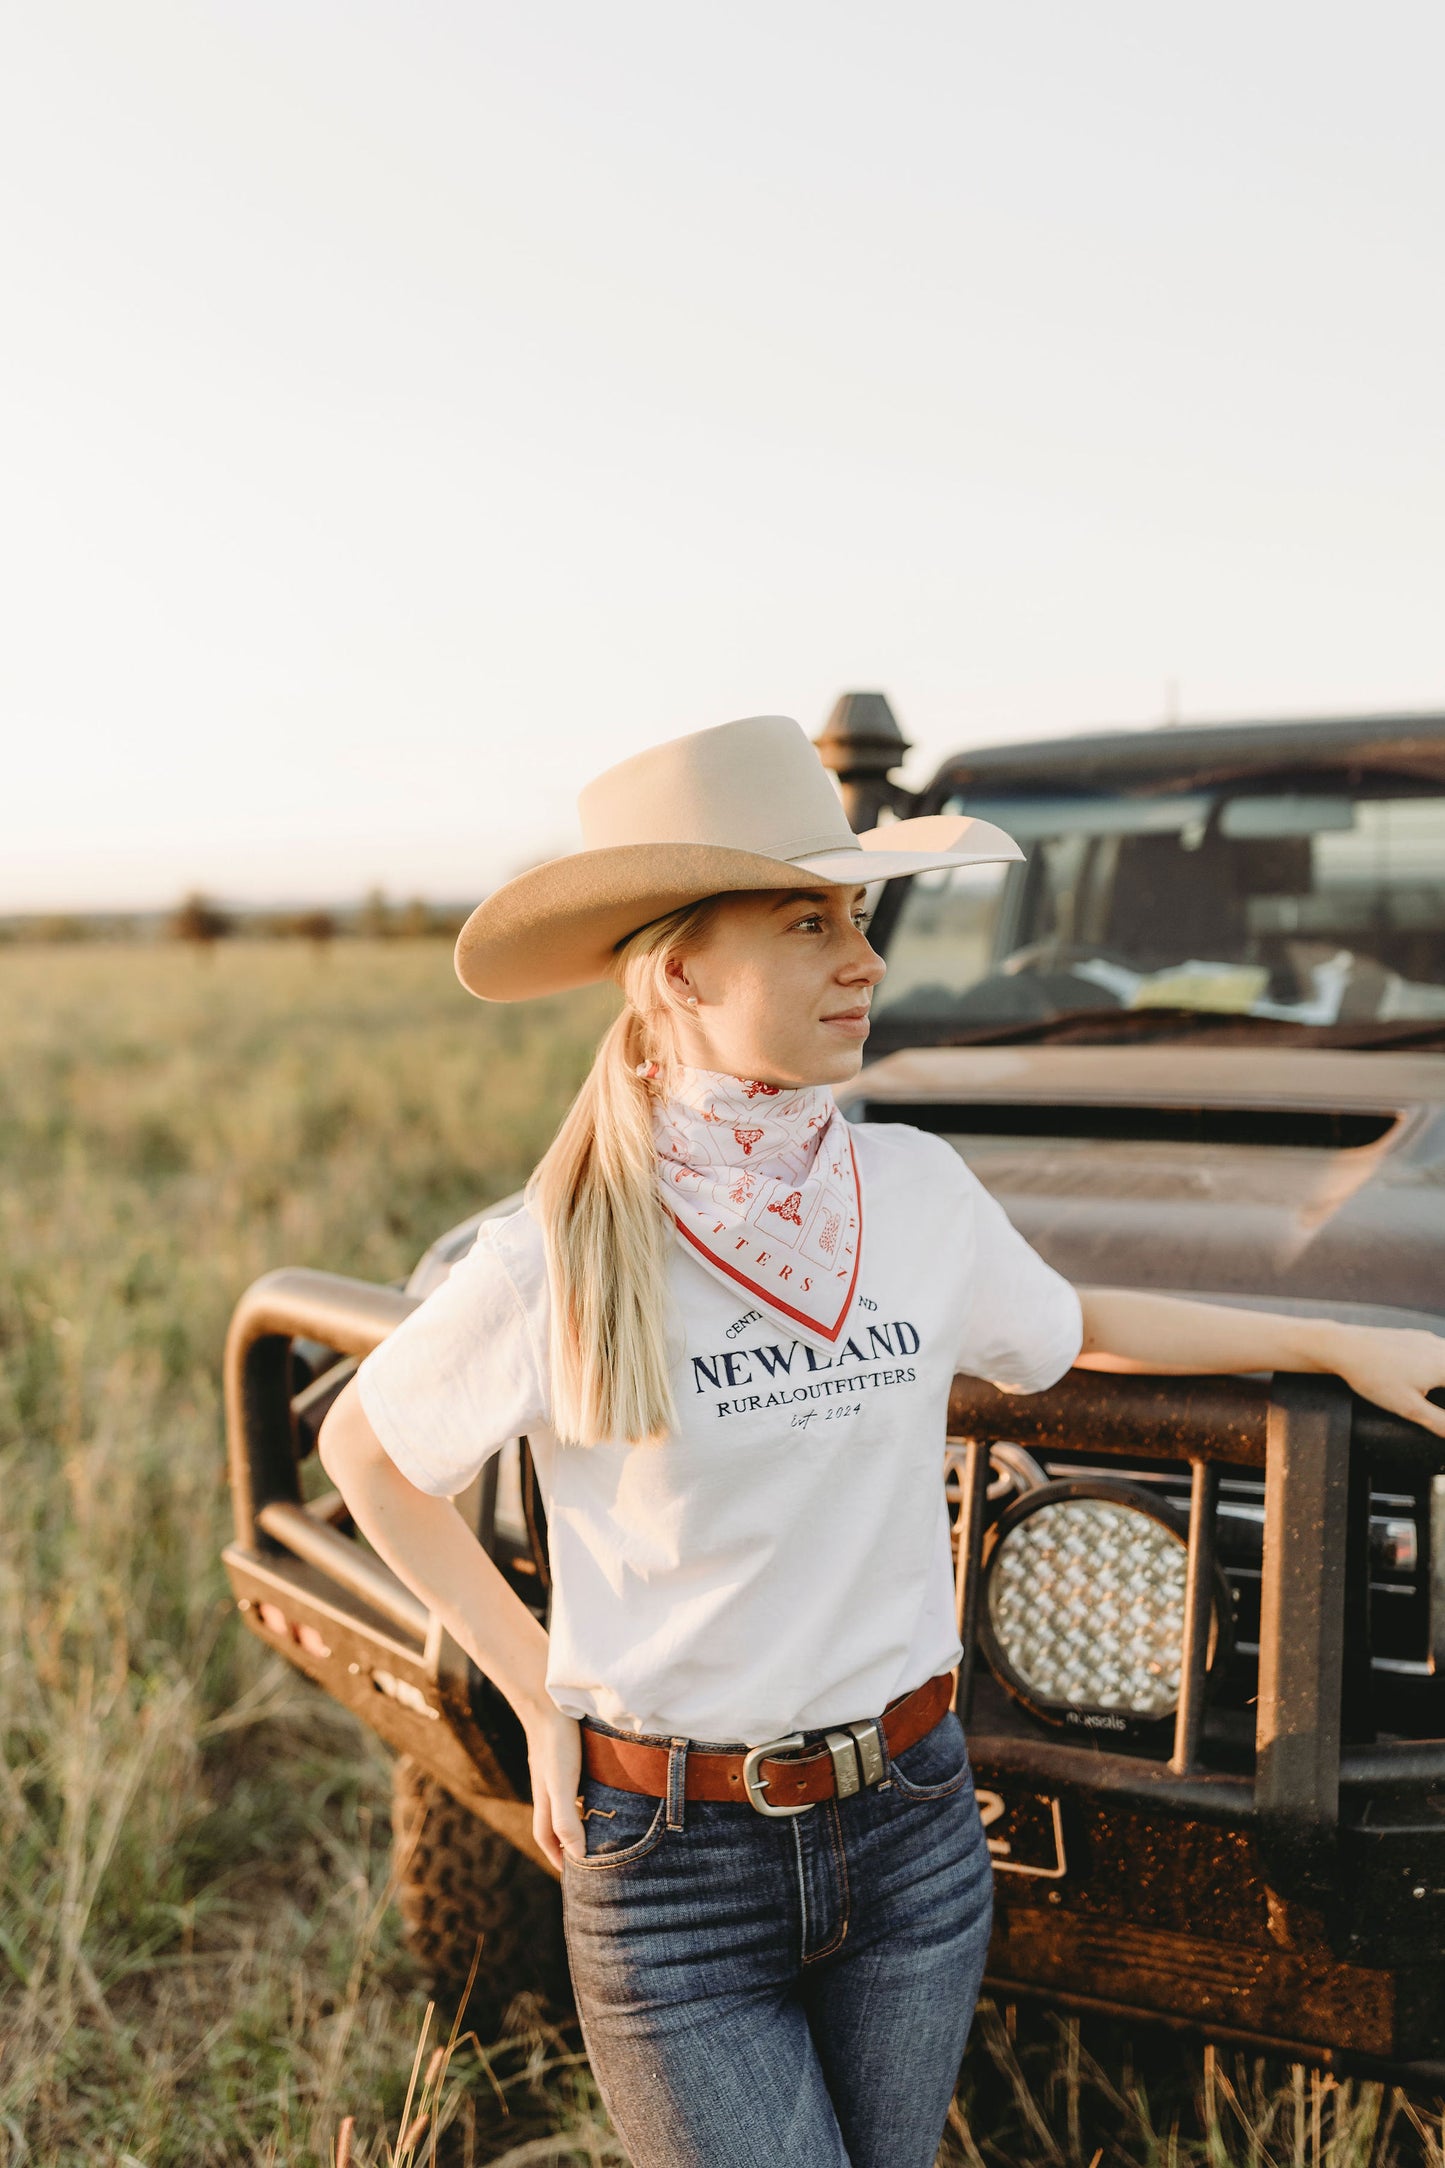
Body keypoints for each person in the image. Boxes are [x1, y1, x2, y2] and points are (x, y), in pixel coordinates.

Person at [319, 715, 1445, 2168]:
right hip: (668, 1863)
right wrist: (535, 1693)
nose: (865, 960)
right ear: (677, 973)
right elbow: (368, 1454)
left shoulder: (911, 1188)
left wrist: (1333, 1339)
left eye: (860, 916)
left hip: (915, 1825)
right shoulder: (564, 1247)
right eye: (808, 923)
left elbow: (1067, 1323)